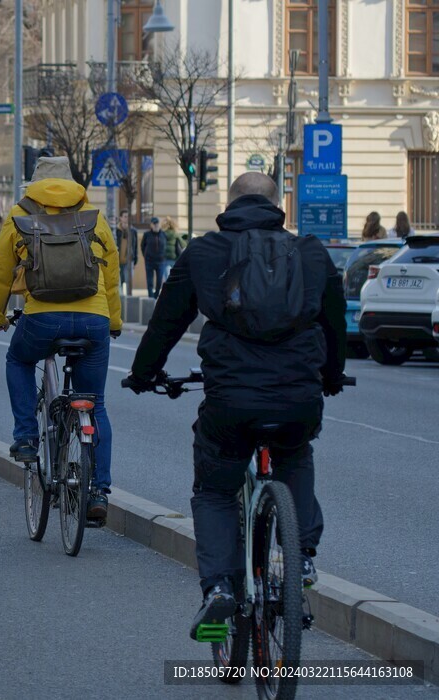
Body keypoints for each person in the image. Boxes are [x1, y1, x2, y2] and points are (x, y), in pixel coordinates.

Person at [123, 172, 346, 641]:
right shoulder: (310, 253)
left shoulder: (204, 252)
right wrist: (328, 378)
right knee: (294, 452)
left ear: (229, 203)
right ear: (277, 203)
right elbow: (333, 325)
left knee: (216, 489)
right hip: (297, 397)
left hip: (229, 402)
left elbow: (166, 322)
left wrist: (144, 375)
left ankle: (220, 587)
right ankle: (301, 554)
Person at [0, 156, 121, 523]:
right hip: (94, 319)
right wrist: (115, 320)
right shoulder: (93, 214)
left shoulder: (19, 214)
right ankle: (100, 492)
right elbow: (111, 270)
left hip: (43, 317)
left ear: (35, 184)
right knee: (96, 403)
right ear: (72, 183)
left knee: (18, 359)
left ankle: (27, 437)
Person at [141, 216, 167, 298]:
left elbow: (166, 246)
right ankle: (150, 297)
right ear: (151, 225)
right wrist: (146, 256)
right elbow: (142, 246)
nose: (156, 225)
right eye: (154, 223)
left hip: (160, 261)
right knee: (150, 281)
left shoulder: (163, 234)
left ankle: (156, 295)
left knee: (159, 281)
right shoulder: (147, 234)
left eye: (157, 223)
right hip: (149, 261)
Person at [115, 210, 138, 294]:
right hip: (118, 260)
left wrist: (135, 260)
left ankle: (129, 298)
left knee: (128, 281)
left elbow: (135, 246)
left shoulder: (133, 231)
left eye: (128, 217)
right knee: (120, 281)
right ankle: (122, 298)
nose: (126, 219)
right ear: (120, 218)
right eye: (125, 216)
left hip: (129, 260)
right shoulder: (116, 230)